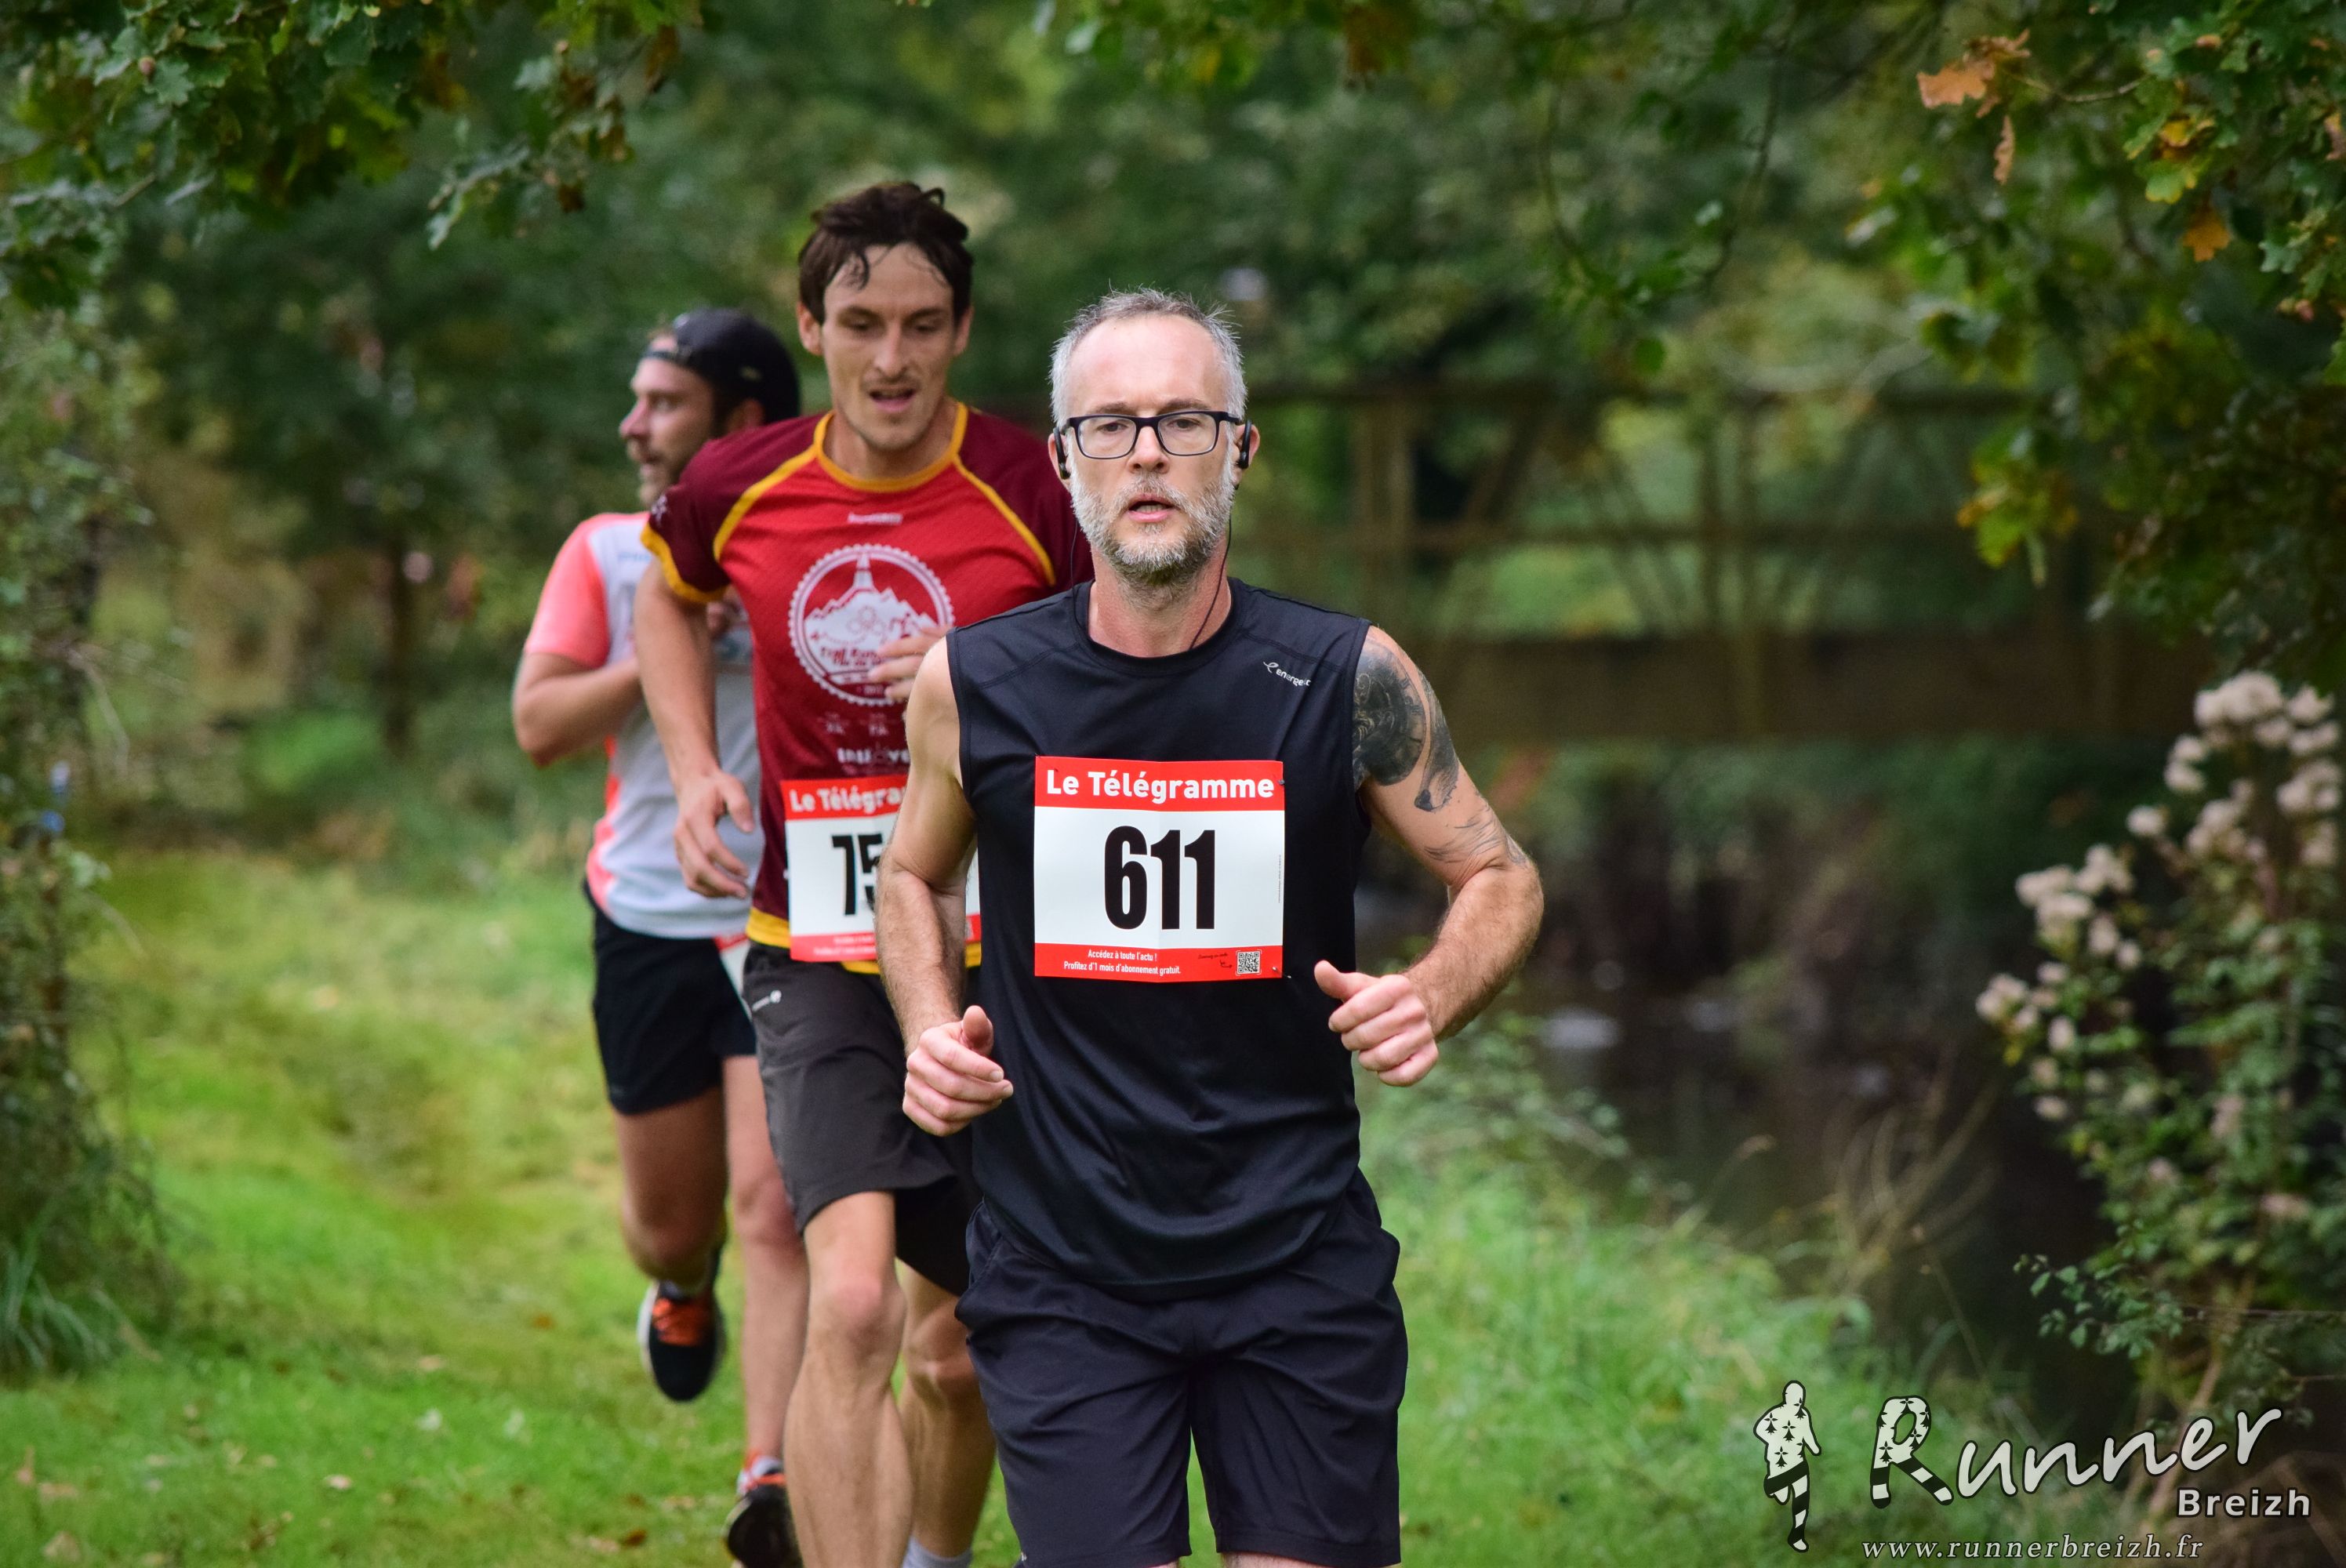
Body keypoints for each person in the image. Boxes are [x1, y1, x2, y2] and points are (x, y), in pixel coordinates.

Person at [873, 289, 1545, 1568]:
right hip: (1064, 1263)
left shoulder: (1349, 678)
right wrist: (925, 1027)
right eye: (1111, 425)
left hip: (1293, 1257)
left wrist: (1432, 992)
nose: (1147, 453)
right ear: (1063, 459)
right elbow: (912, 876)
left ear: (1240, 450)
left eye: (1184, 420)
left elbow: (1500, 874)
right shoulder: (977, 683)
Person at [634, 183, 1091, 1568]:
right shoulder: (742, 481)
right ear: (810, 327)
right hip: (819, 947)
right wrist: (696, 768)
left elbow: (1136, 654)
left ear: (964, 331)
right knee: (849, 1307)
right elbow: (666, 590)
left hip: (1001, 951)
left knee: (964, 1346)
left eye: (923, 325)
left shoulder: (1034, 488)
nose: (892, 358)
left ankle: (935, 1554)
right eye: (860, 324)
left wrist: (988, 678)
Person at [512, 307, 808, 1568]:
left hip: (784, 919)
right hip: (645, 914)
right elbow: (538, 725)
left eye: (663, 403)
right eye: (638, 401)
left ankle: (772, 1478)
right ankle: (682, 1289)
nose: (634, 425)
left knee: (778, 1204)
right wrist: (669, 640)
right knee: (671, 1223)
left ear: (741, 419)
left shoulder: (811, 544)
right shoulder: (605, 551)